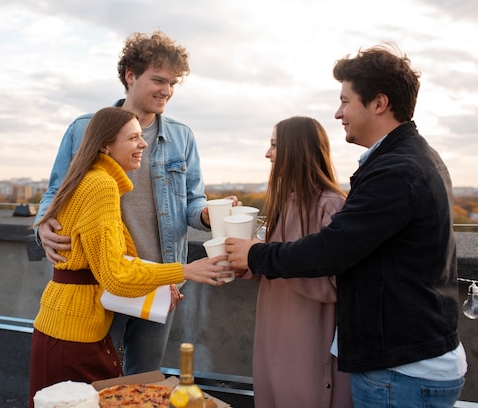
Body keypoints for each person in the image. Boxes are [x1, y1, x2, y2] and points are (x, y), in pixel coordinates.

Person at [226, 44, 467, 408]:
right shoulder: (407, 159)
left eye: (345, 100)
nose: (338, 113)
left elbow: (331, 249)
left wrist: (256, 255)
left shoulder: (396, 171)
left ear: (379, 103)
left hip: (401, 369)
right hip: (405, 361)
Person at [34, 30, 240, 376]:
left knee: (142, 380)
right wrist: (42, 225)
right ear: (130, 75)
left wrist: (206, 214)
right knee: (97, 382)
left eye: (173, 83)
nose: (167, 90)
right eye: (159, 80)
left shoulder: (182, 136)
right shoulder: (85, 128)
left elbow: (192, 203)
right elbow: (57, 192)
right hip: (102, 280)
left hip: (160, 280)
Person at [28, 107, 228, 407]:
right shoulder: (102, 186)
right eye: (134, 138)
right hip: (74, 336)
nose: (143, 144)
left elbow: (111, 263)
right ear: (105, 145)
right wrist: (186, 270)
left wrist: (161, 286)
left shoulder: (92, 178)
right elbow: (116, 276)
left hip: (68, 326)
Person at [247, 116, 352, 408]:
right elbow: (270, 267)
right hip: (273, 336)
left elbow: (337, 286)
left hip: (309, 343)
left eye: (275, 145)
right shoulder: (283, 201)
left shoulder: (330, 205)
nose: (268, 154)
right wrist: (244, 261)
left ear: (297, 149)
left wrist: (268, 260)